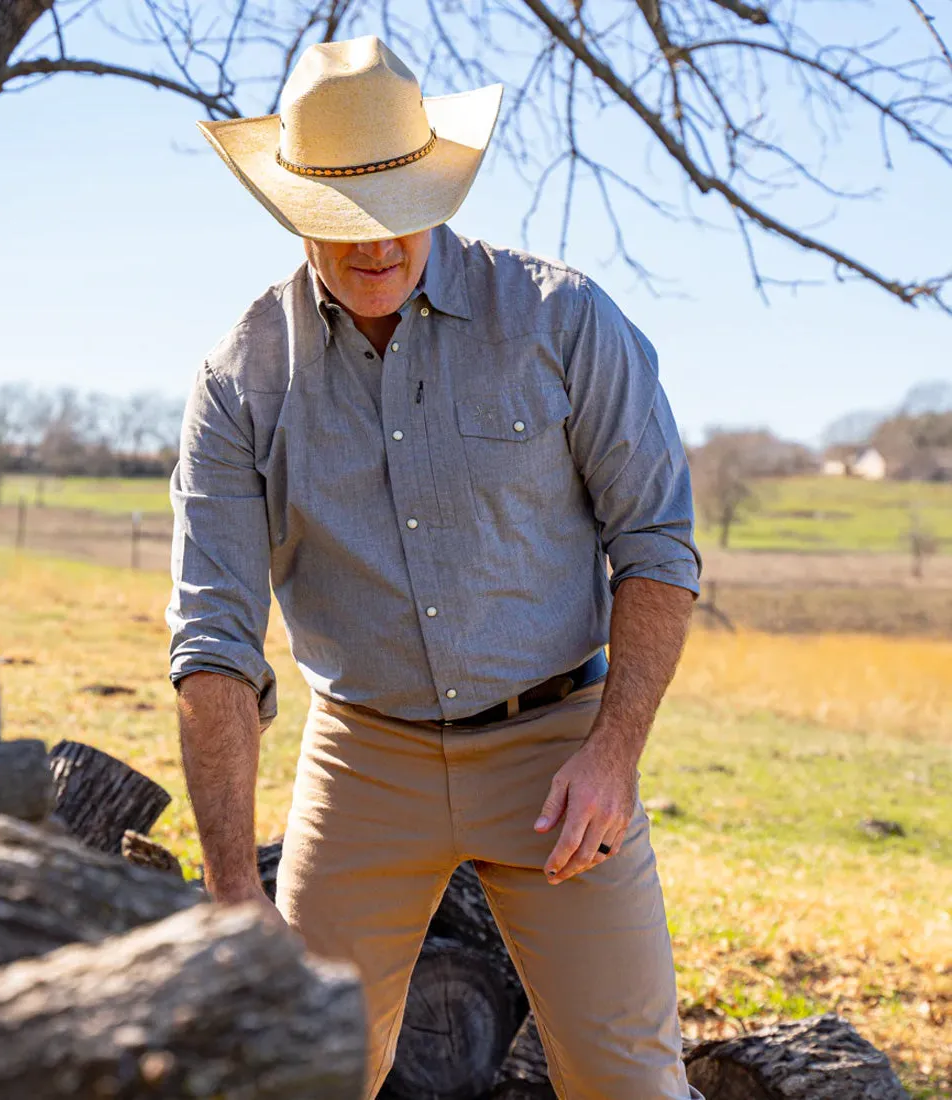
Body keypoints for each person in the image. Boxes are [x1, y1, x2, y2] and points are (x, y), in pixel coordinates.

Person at [168, 34, 704, 1100]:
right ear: (295, 210)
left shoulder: (561, 320)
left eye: (398, 205)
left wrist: (612, 752)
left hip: (557, 743)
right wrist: (232, 882)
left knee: (629, 1078)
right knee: (302, 1069)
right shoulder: (241, 379)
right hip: (363, 755)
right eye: (342, 218)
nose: (375, 245)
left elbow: (655, 543)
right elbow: (213, 640)